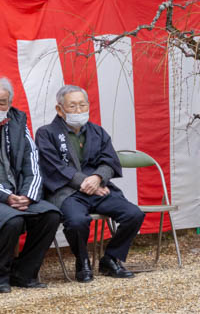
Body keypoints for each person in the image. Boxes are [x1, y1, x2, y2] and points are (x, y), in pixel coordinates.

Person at [36, 85, 144, 282]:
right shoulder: (46, 133)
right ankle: (82, 260)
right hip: (67, 192)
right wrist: (84, 182)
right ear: (59, 109)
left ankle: (111, 259)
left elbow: (110, 161)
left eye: (82, 105)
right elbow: (53, 166)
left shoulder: (97, 132)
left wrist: (97, 179)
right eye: (73, 106)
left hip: (99, 189)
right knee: (77, 222)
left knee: (133, 214)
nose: (79, 110)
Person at [0, 77, 60, 292]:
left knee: (50, 214)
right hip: (2, 197)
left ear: (9, 104)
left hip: (18, 195)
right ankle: (1, 275)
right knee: (12, 220)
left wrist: (28, 195)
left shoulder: (17, 123)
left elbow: (32, 162)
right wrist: (6, 196)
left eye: (2, 102)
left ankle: (24, 273)